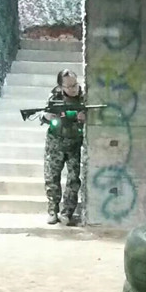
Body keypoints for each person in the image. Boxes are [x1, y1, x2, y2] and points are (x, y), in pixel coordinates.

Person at [42, 69, 85, 225]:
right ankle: (52, 210)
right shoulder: (54, 97)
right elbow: (44, 115)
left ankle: (67, 212)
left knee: (73, 180)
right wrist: (46, 117)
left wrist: (83, 117)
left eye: (75, 85)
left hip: (74, 144)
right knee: (52, 177)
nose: (73, 89)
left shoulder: (84, 97)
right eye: (69, 86)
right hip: (55, 143)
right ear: (61, 87)